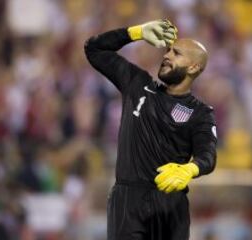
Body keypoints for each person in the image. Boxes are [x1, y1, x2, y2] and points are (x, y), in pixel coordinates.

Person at [84, 19, 217, 240]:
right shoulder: (137, 84)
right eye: (168, 51)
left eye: (177, 54)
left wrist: (190, 169)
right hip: (127, 201)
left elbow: (208, 156)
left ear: (193, 67)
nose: (167, 55)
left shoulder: (201, 112)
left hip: (170, 205)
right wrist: (135, 33)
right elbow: (94, 48)